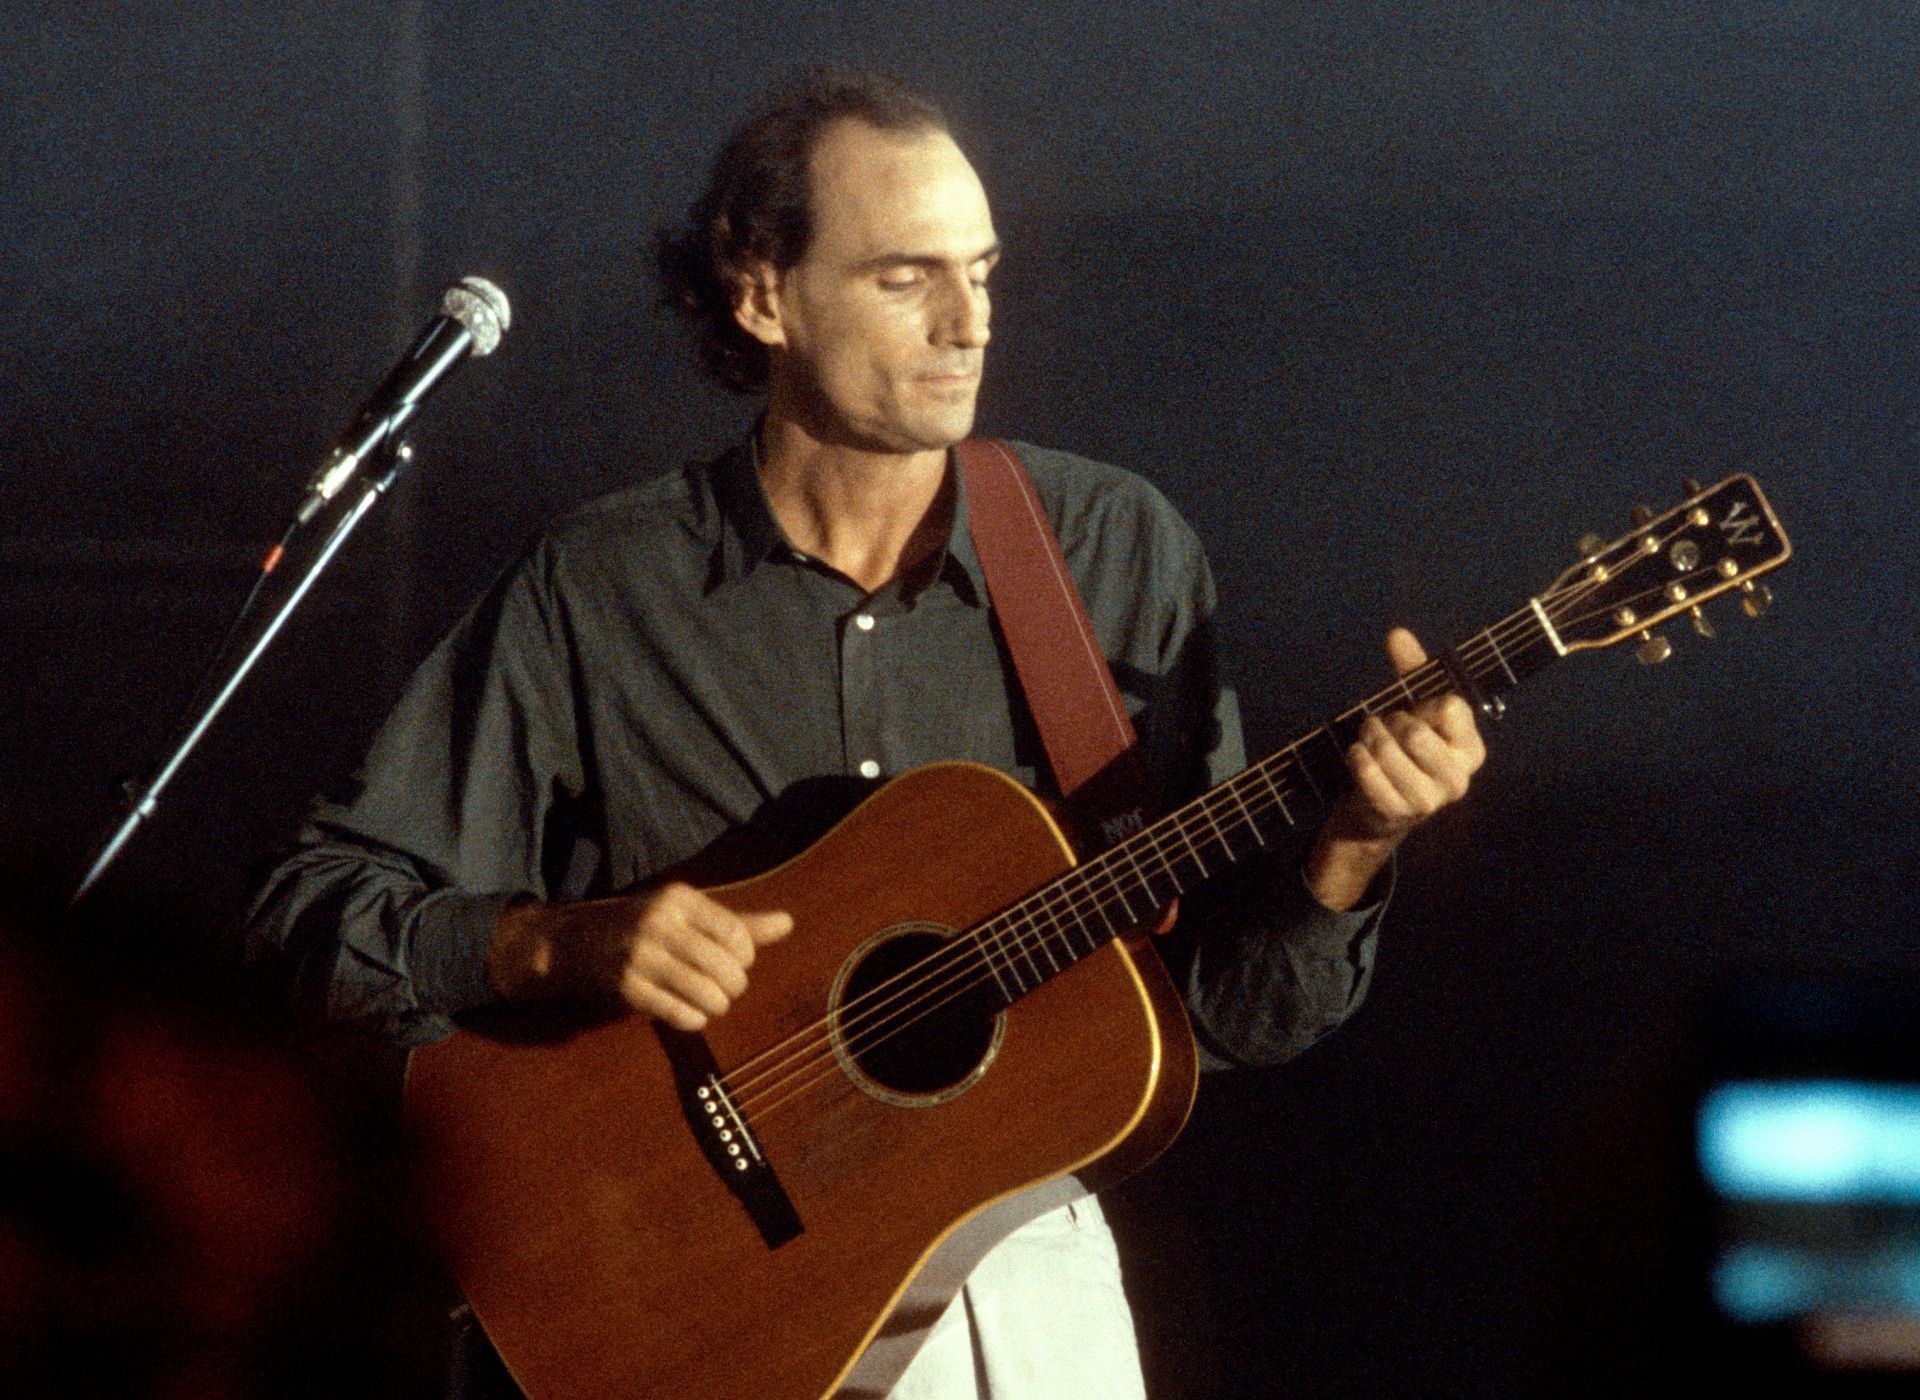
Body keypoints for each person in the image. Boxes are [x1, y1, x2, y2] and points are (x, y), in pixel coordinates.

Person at [249, 69, 1485, 1399]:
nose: (968, 324)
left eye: (986, 272)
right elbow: (308, 918)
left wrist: (1354, 841)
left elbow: (1218, 1021)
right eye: (907, 278)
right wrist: (555, 941)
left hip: (1024, 1303)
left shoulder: (1114, 555)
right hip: (677, 1301)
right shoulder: (600, 592)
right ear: (763, 293)